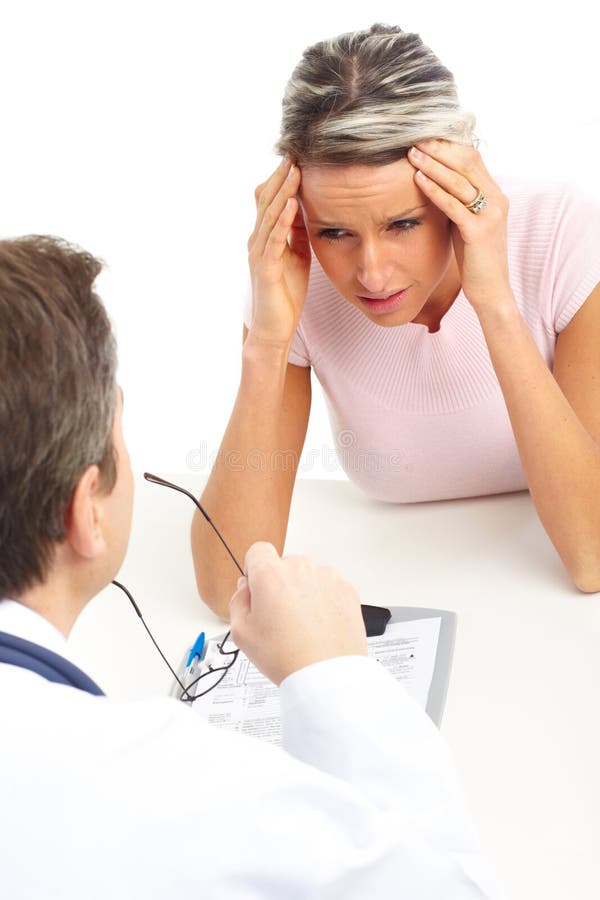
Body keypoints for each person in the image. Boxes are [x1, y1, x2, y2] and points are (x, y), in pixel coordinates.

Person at [0, 236, 500, 897]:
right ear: (85, 510)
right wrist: (334, 676)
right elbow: (454, 888)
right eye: (118, 428)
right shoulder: (155, 787)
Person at [191, 23, 600, 619]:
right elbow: (226, 581)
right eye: (336, 232)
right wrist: (268, 344)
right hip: (399, 591)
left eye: (402, 223)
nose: (373, 275)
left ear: (455, 185)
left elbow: (593, 554)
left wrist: (494, 303)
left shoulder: (563, 233)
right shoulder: (294, 272)